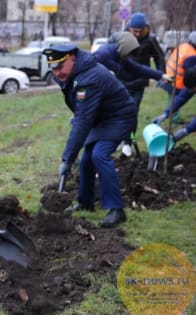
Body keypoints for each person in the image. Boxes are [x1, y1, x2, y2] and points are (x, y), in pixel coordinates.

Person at [42, 43, 137, 228]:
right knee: (86, 159)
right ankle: (86, 202)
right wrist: (80, 115)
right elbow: (83, 112)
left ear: (72, 58)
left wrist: (67, 159)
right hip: (101, 117)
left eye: (60, 66)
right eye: (52, 68)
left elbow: (83, 121)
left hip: (119, 117)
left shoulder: (89, 78)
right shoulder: (78, 71)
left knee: (99, 155)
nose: (57, 72)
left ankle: (117, 210)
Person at [94, 31, 172, 157]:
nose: (129, 57)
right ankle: (89, 152)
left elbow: (138, 68)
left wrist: (161, 75)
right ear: (124, 48)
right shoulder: (104, 55)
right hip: (99, 93)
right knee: (93, 120)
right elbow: (122, 74)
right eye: (128, 54)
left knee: (129, 113)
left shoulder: (120, 55)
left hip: (122, 89)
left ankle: (126, 142)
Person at [120, 12, 166, 156]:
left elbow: (160, 58)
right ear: (130, 28)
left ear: (145, 28)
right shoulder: (123, 36)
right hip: (122, 81)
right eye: (134, 31)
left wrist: (161, 74)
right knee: (118, 112)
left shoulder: (150, 41)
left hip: (139, 82)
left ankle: (128, 142)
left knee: (132, 111)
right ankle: (119, 138)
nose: (137, 34)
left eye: (140, 31)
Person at [155, 31, 196, 124]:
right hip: (177, 81)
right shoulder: (192, 55)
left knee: (173, 98)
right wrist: (165, 114)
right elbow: (185, 93)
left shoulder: (183, 46)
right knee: (175, 99)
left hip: (170, 78)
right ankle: (174, 117)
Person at [152, 55, 196, 142]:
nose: (191, 92)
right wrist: (166, 113)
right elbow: (181, 97)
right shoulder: (194, 75)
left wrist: (186, 130)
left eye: (192, 89)